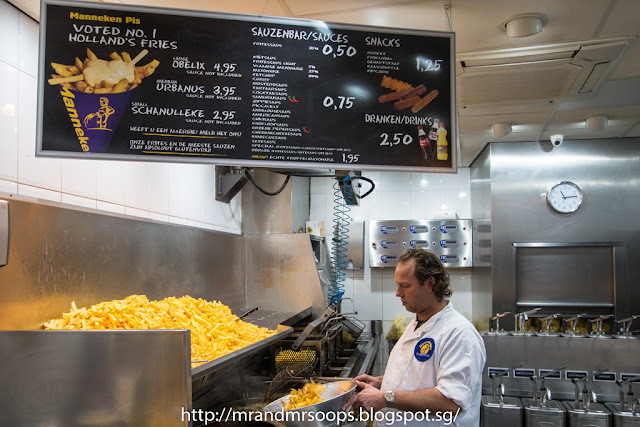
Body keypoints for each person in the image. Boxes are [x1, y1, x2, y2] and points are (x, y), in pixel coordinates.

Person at [343, 248, 486, 426]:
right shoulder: (418, 323)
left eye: (405, 285)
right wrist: (381, 382)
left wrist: (386, 397)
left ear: (430, 284)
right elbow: (417, 374)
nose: (398, 293)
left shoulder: (459, 334)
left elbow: (450, 402)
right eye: (397, 285)